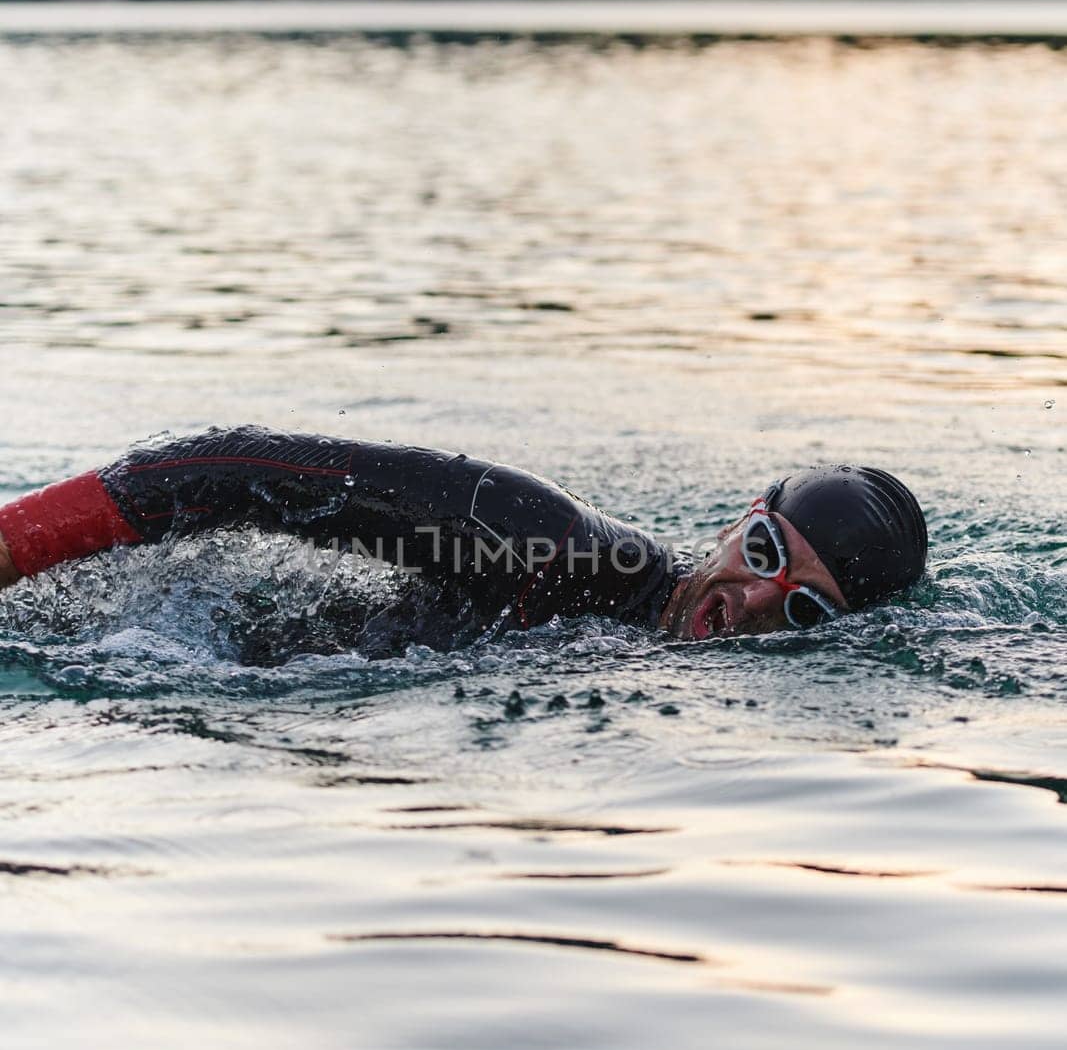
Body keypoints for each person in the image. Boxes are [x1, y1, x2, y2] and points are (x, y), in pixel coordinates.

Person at [0, 426, 928, 647]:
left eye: (804, 608)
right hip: (195, 641)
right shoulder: (536, 542)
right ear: (738, 523)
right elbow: (226, 468)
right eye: (762, 556)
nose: (754, 598)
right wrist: (17, 542)